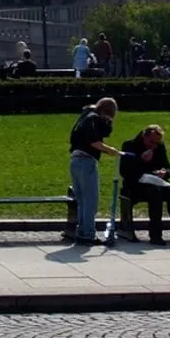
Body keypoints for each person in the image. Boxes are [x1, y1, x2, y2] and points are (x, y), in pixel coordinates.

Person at [120, 124, 170, 245]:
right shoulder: (129, 145)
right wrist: (141, 160)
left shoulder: (159, 147)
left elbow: (168, 168)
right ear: (144, 136)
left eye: (156, 143)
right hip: (136, 184)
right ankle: (155, 234)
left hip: (157, 181)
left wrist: (164, 172)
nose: (153, 146)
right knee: (154, 194)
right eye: (151, 142)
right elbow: (124, 171)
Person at [68, 97, 121, 246]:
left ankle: (82, 232)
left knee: (82, 200)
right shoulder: (93, 118)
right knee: (91, 200)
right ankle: (89, 234)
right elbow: (94, 141)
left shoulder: (85, 116)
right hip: (86, 160)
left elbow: (103, 133)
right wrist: (111, 150)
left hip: (75, 160)